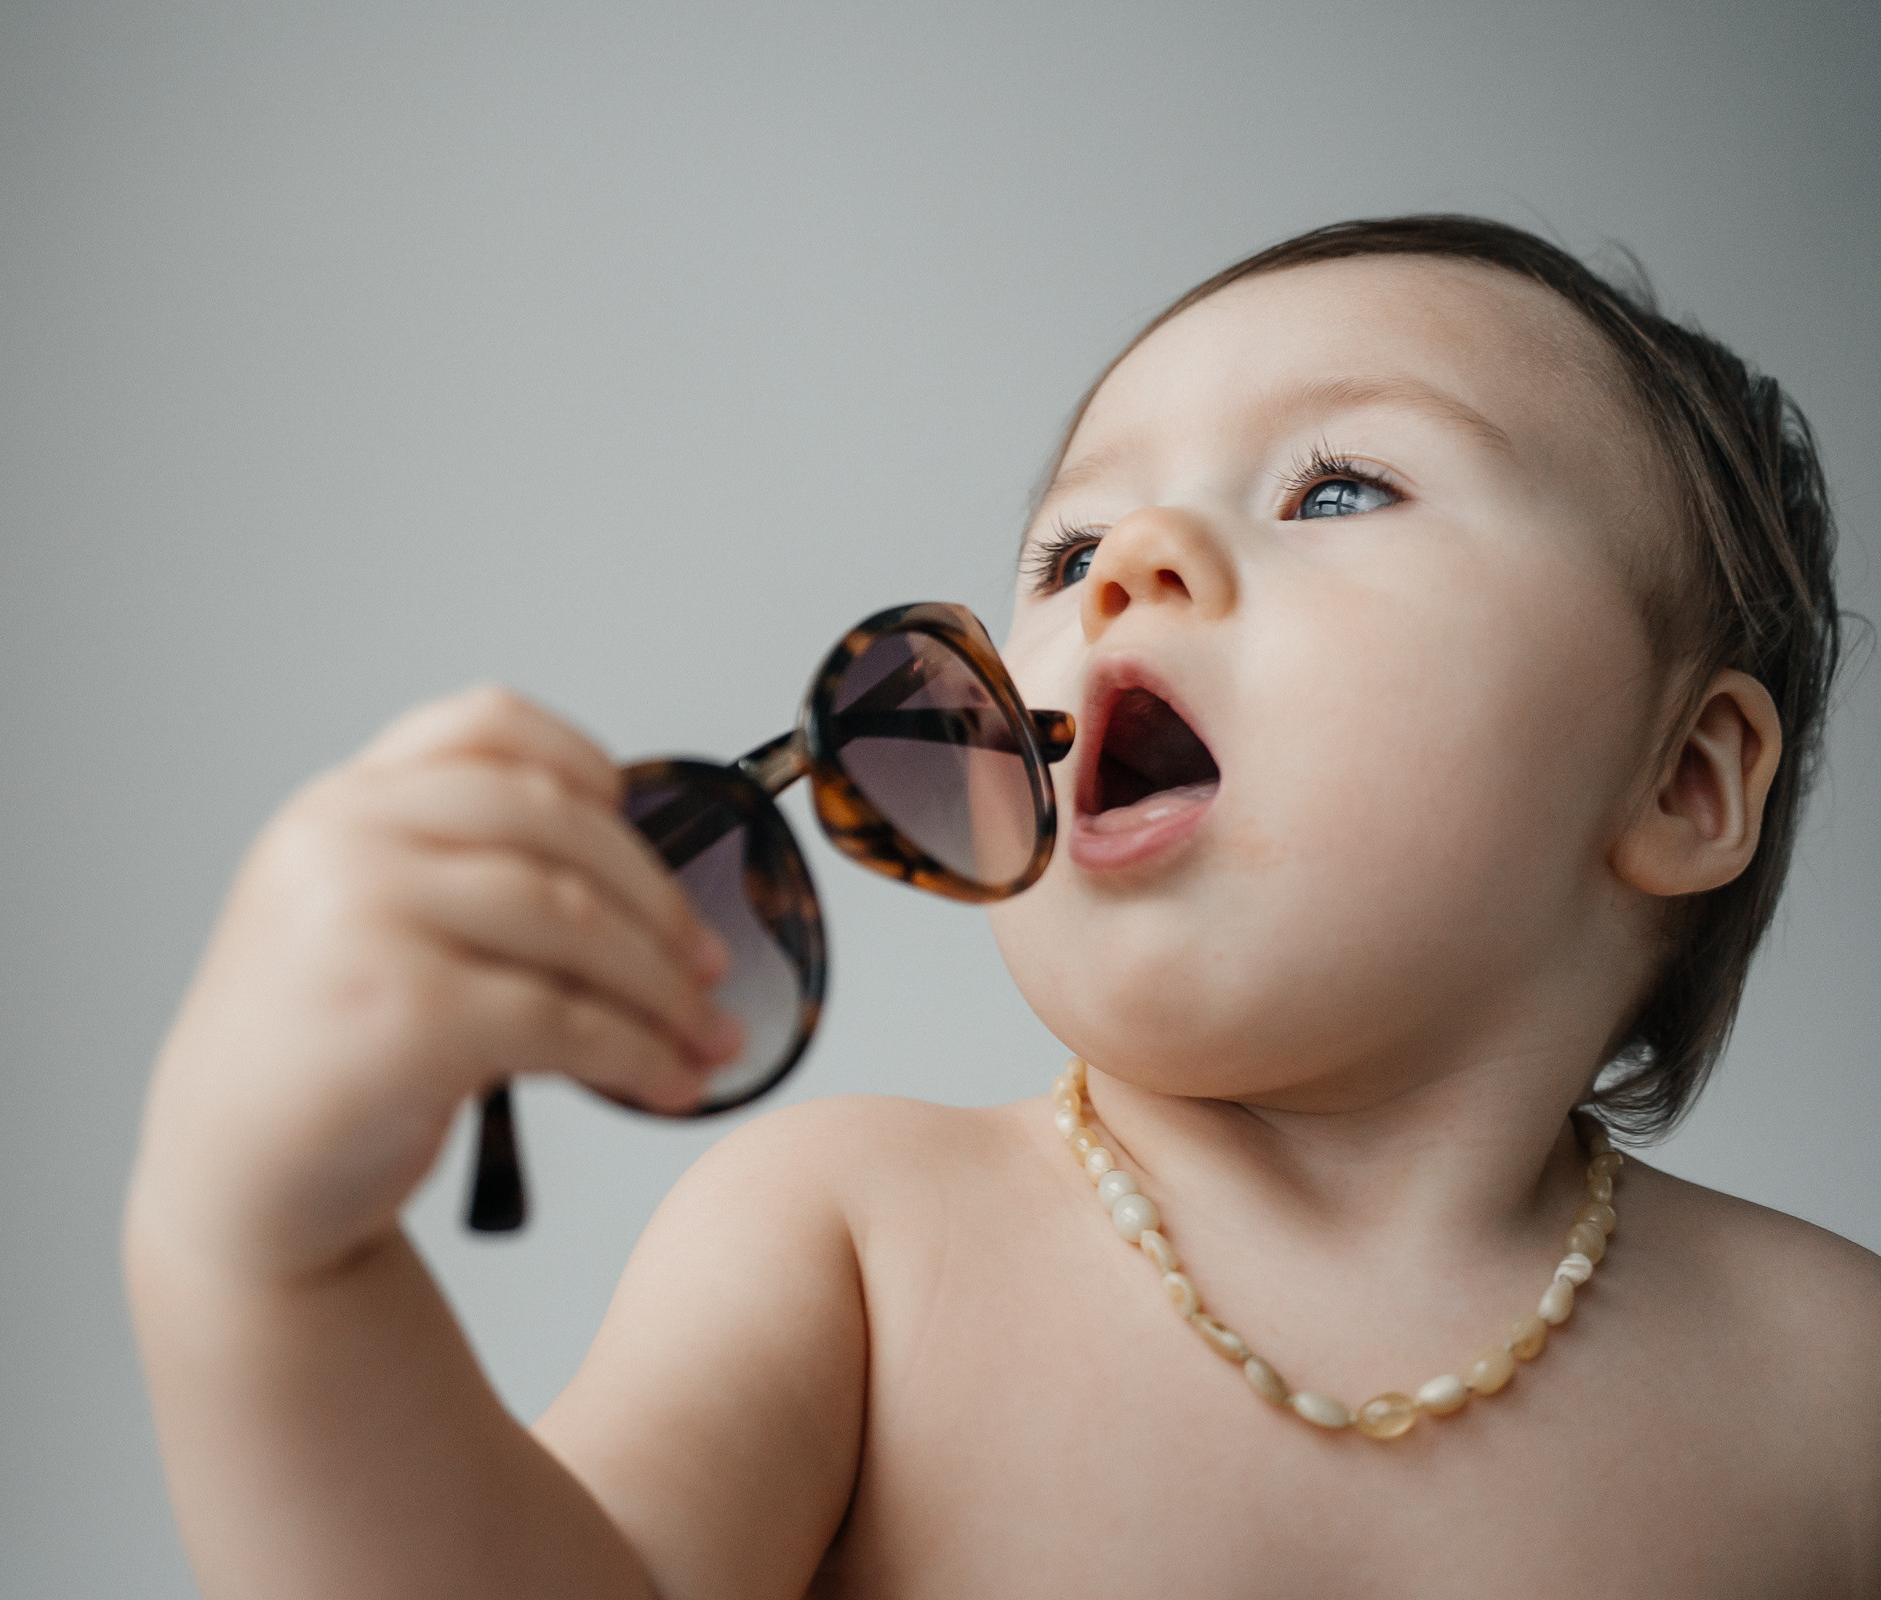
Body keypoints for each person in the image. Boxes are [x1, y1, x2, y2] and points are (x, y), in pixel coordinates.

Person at [122, 215, 1879, 1597]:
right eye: (1067, 552)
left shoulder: (1829, 1385)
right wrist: (269, 1268)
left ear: (1682, 781)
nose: (1130, 570)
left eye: (1337, 488)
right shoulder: (859, 1247)